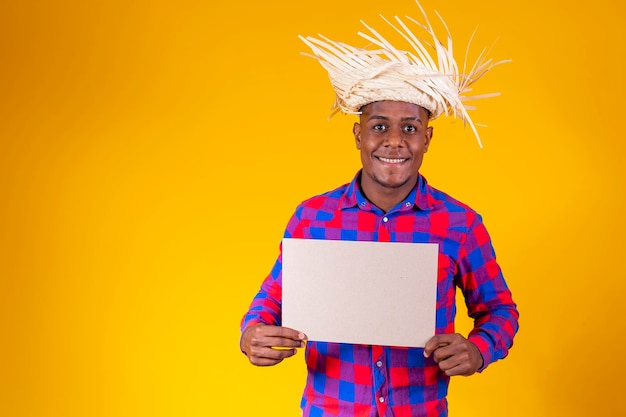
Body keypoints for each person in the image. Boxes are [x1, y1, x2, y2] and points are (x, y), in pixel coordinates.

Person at [240, 2, 519, 416]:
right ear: (358, 135)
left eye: (409, 128)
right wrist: (253, 335)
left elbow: (499, 310)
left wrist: (478, 350)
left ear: (427, 138)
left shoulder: (459, 224)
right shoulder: (313, 218)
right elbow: (269, 302)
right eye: (378, 126)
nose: (393, 141)